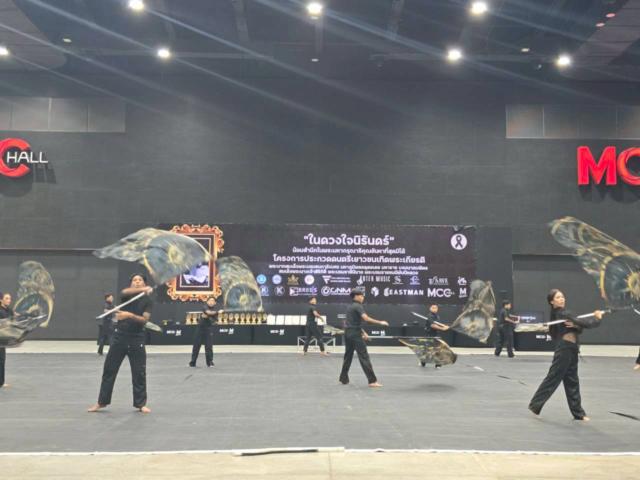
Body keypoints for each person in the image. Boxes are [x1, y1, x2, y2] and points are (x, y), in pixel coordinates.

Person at [528, 289, 604, 421]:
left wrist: (576, 324)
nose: (562, 299)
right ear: (552, 302)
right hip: (564, 350)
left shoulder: (562, 315)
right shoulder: (563, 313)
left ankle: (578, 413)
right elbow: (585, 324)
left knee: (572, 381)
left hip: (572, 349)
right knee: (553, 378)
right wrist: (597, 318)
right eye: (558, 297)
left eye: (562, 297)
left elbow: (579, 328)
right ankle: (535, 405)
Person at [88, 274, 153, 414]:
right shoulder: (126, 296)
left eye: (140, 280)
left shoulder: (147, 300)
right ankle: (101, 402)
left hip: (137, 339)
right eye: (134, 280)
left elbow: (144, 320)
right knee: (109, 370)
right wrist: (143, 289)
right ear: (131, 283)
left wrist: (129, 315)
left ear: (144, 283)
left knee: (139, 373)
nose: (137, 282)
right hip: (120, 337)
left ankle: (141, 404)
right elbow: (124, 291)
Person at [339, 287, 389, 388]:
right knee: (364, 356)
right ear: (356, 296)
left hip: (348, 333)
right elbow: (366, 319)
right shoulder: (358, 306)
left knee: (348, 356)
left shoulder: (350, 307)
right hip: (355, 334)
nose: (363, 297)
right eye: (361, 296)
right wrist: (380, 322)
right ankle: (372, 381)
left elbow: (353, 323)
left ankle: (343, 378)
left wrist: (363, 333)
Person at [190, 297, 222, 367]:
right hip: (200, 329)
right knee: (196, 346)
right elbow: (208, 312)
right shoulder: (205, 307)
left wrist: (209, 317)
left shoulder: (215, 310)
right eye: (210, 300)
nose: (211, 302)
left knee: (209, 347)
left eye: (213, 301)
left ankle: (210, 362)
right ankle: (192, 362)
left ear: (215, 303)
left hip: (208, 329)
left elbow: (214, 321)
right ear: (207, 302)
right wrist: (215, 313)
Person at [0, 292, 12, 388]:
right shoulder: (1, 311)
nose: (9, 300)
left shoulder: (7, 310)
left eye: (10, 298)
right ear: (1, 300)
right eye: (7, 298)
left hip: (2, 340)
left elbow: (15, 316)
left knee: (1, 360)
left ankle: (1, 382)